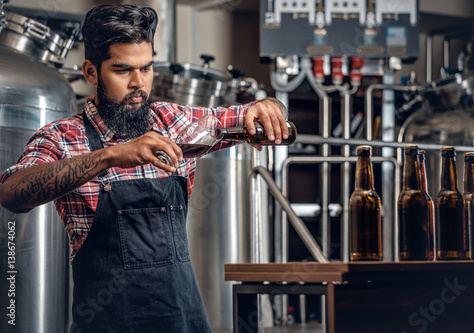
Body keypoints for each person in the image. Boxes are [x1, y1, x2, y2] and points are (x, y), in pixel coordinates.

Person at [0, 4, 289, 332]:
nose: (139, 84)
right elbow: (12, 192)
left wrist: (269, 107)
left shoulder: (173, 122)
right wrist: (111, 156)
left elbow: (250, 112)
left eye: (146, 69)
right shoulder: (63, 138)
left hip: (185, 323)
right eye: (123, 70)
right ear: (91, 72)